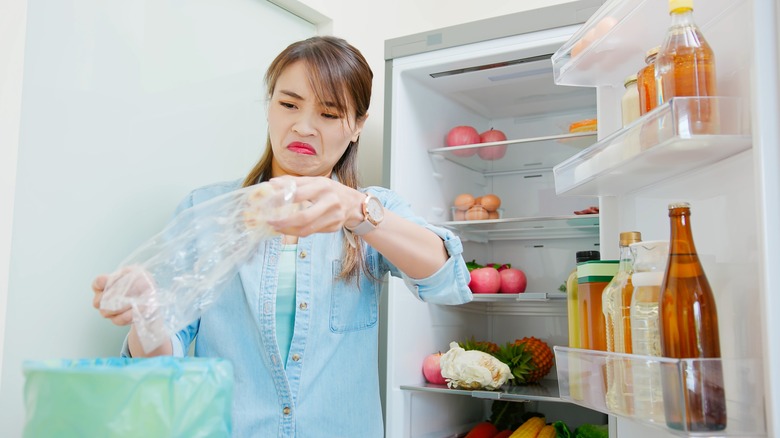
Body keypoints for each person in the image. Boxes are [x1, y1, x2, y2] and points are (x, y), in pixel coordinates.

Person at [91, 36, 472, 437]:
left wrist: (355, 212)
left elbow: (448, 280)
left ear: (357, 126)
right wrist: (147, 316)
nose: (303, 127)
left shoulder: (372, 211)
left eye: (328, 113)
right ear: (269, 106)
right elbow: (157, 363)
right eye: (288, 104)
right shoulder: (206, 210)